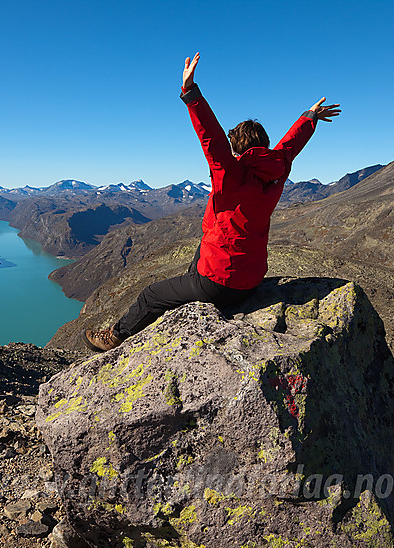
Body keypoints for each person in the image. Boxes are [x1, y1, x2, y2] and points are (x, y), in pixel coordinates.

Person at [84, 52, 340, 352]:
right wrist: (308, 119)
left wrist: (191, 92)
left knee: (151, 295)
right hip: (252, 278)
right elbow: (290, 145)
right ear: (264, 145)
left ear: (236, 149)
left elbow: (212, 139)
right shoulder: (278, 169)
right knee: (201, 248)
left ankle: (115, 337)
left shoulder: (231, 174)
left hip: (221, 283)